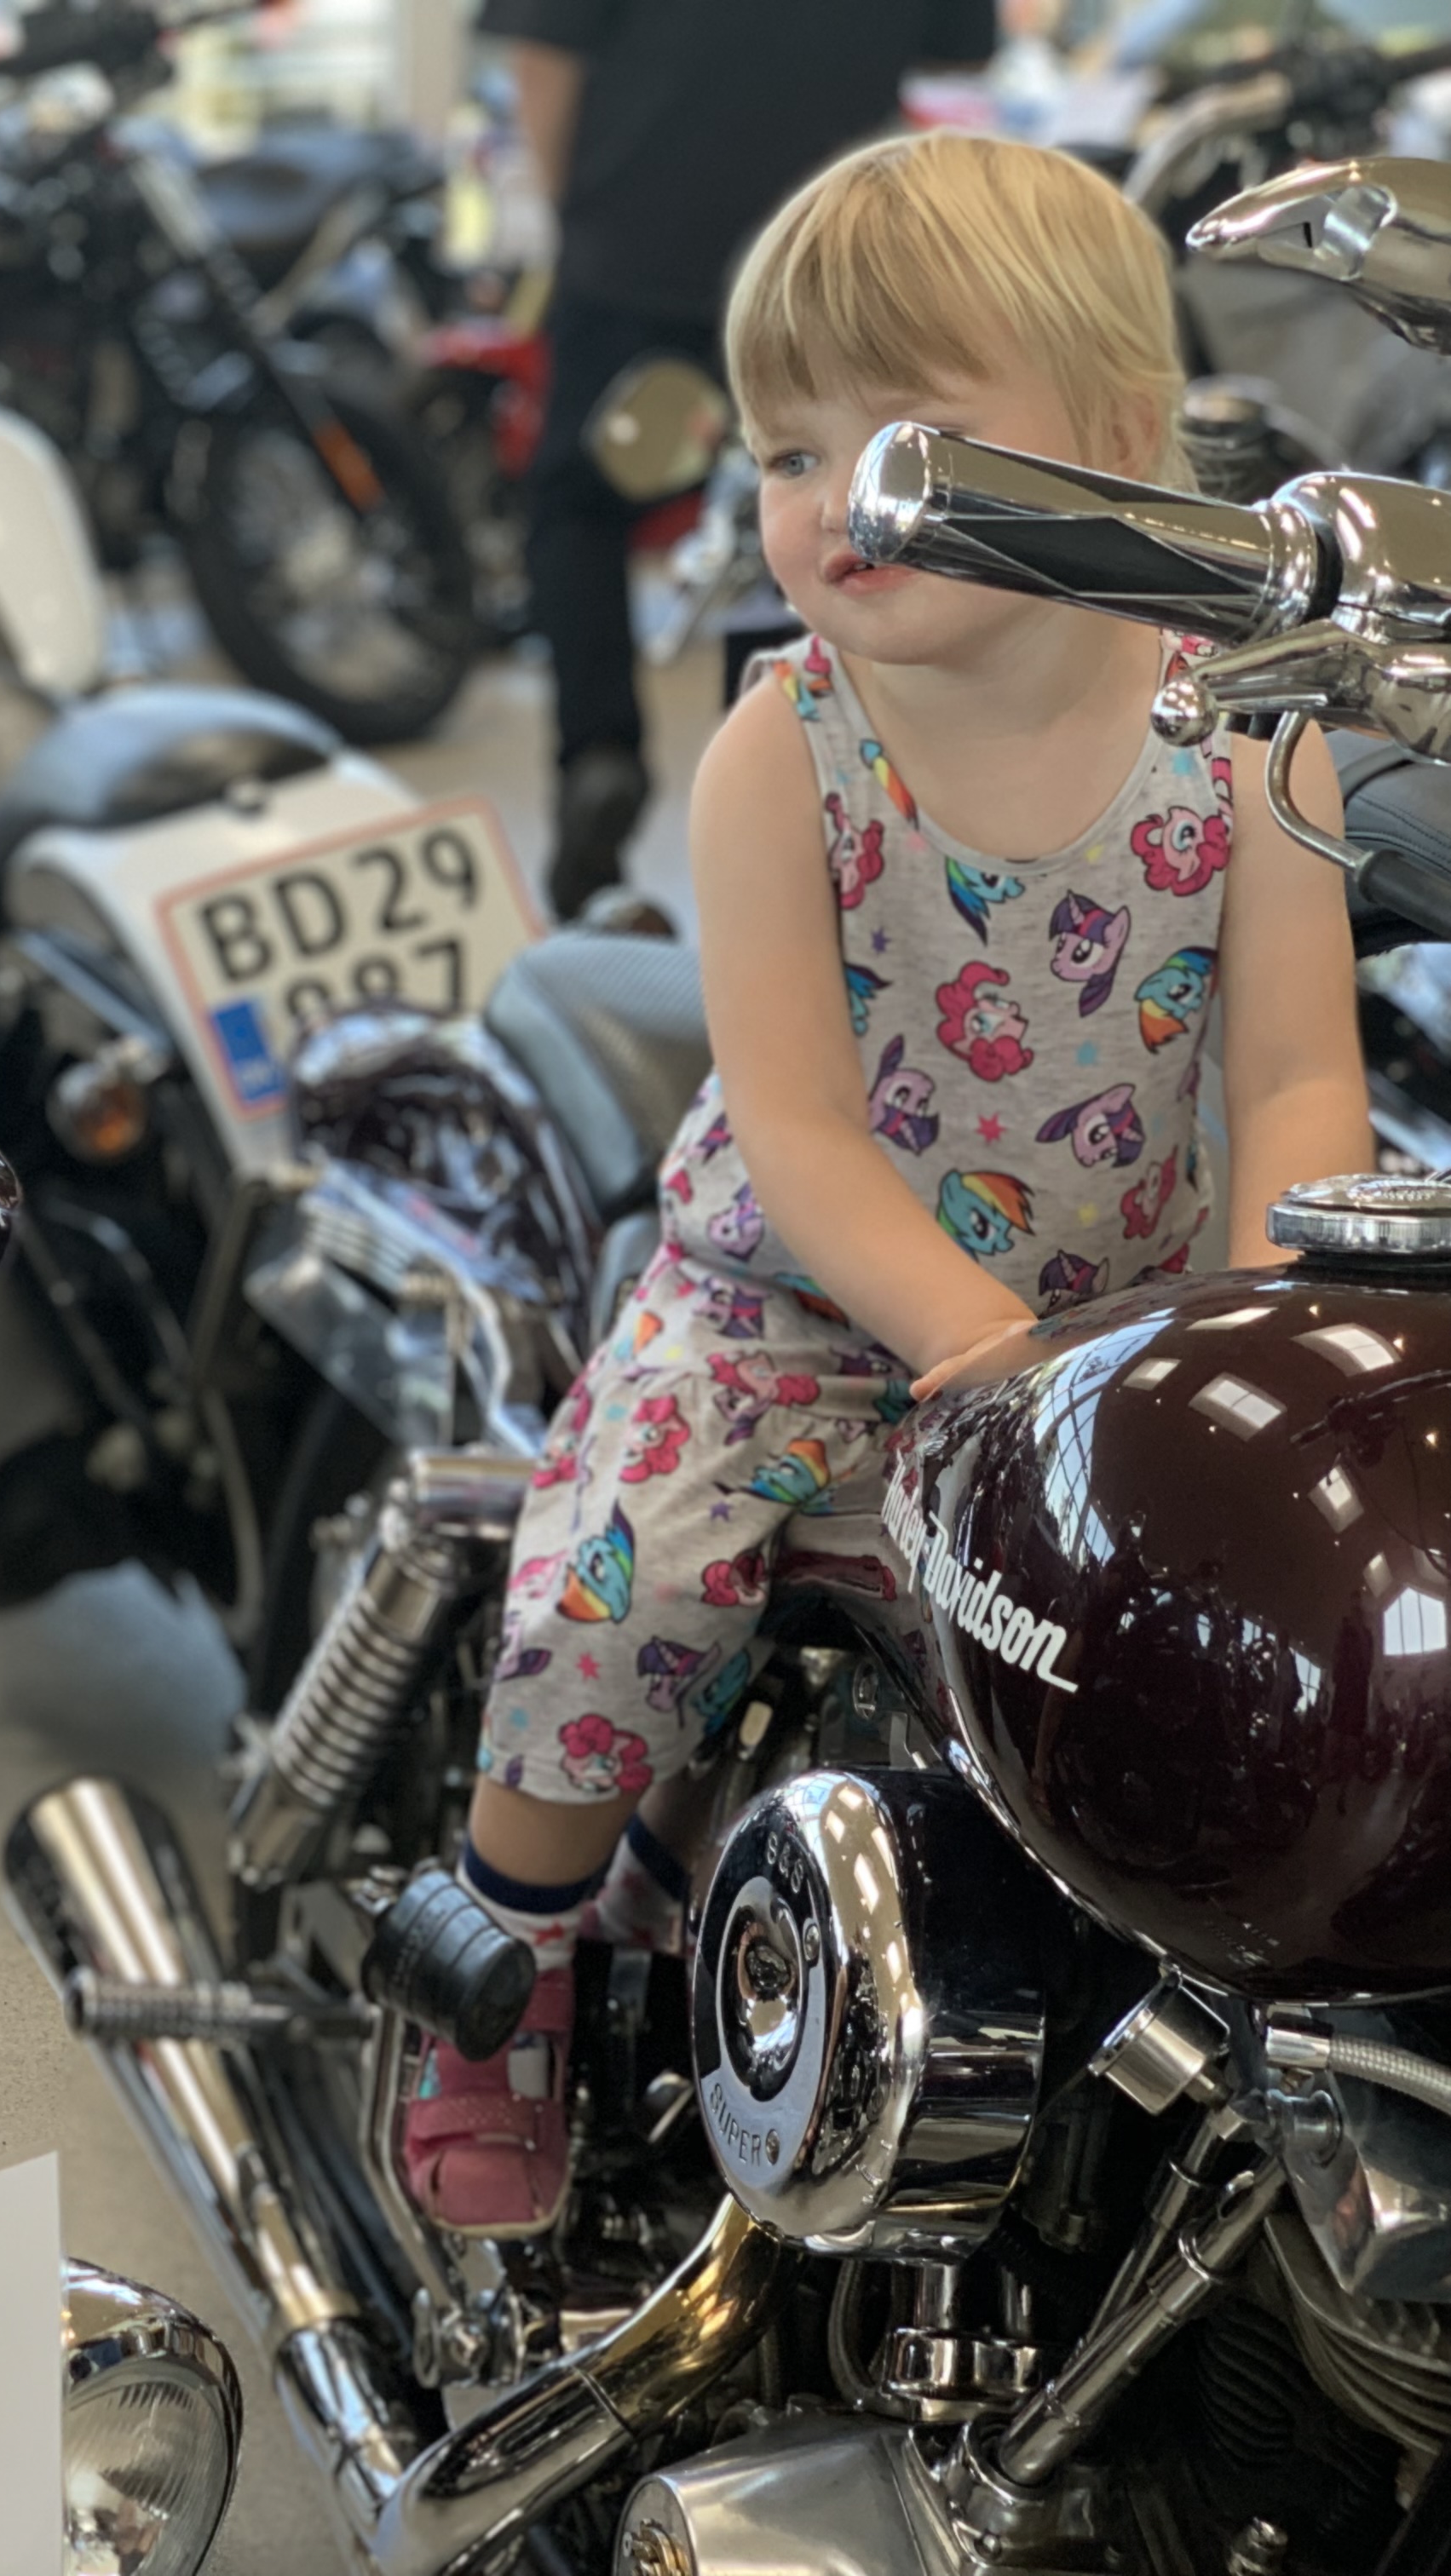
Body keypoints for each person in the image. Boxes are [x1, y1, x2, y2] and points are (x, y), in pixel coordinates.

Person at [402, 132, 1376, 2234]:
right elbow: (802, 1132)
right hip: (798, 1308)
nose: (836, 502)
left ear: (1121, 437)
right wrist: (991, 1351)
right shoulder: (786, 747)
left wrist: (1248, 1347)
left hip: (1116, 1316)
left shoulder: (1244, 734)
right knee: (628, 1576)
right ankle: (505, 1952)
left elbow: (1301, 1077)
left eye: (911, 444)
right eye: (787, 452)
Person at [485, 0, 999, 917]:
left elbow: (543, 59)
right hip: (822, 250)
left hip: (638, 247)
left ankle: (598, 752)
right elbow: (962, 52)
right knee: (817, 511)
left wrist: (578, 220)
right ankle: (789, 796)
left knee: (579, 508)